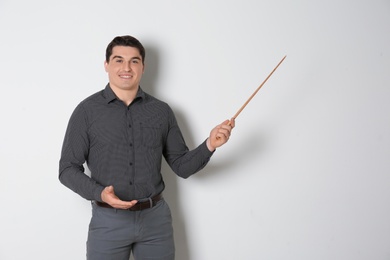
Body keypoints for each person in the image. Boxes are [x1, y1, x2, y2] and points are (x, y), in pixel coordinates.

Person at [59, 35, 235, 260]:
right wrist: (99, 193)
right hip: (108, 222)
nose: (126, 67)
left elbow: (182, 166)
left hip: (155, 222)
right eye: (118, 60)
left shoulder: (161, 112)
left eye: (134, 61)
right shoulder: (86, 112)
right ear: (106, 65)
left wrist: (210, 144)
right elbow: (67, 169)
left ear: (143, 66)